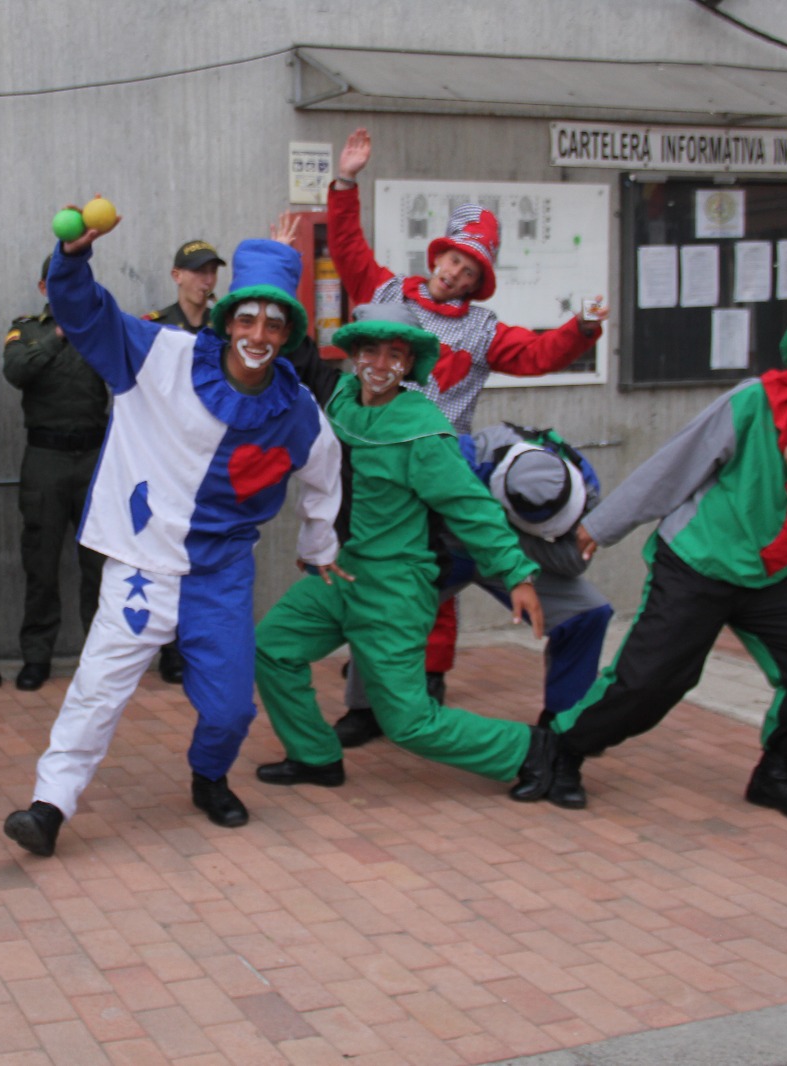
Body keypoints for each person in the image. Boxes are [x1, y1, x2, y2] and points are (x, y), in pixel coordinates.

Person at [3, 219, 342, 858]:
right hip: (140, 564)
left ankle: (208, 776)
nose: (258, 335)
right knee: (98, 689)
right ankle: (49, 805)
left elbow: (326, 473)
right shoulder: (161, 354)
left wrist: (318, 548)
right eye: (248, 320)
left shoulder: (298, 413)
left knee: (231, 710)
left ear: (289, 333)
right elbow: (86, 315)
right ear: (228, 319)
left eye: (274, 325)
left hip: (219, 577)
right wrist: (73, 258)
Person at [542, 265, 787, 826]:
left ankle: (777, 771)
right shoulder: (755, 401)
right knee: (652, 682)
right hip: (699, 562)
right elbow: (676, 465)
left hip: (769, 576)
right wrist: (598, 527)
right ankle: (561, 746)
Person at [330, 127, 608, 700]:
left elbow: (535, 356)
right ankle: (365, 698)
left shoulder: (483, 329)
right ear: (439, 255)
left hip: (442, 462)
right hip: (376, 458)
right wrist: (345, 182)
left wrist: (581, 329)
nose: (456, 273)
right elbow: (348, 250)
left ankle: (428, 677)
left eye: (470, 270)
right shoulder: (389, 294)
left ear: (480, 281)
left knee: (442, 569)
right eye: (454, 260)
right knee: (374, 568)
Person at [251, 303, 557, 798]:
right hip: (342, 573)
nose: (379, 362)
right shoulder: (346, 401)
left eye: (394, 353)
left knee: (408, 722)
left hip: (394, 589)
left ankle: (531, 751)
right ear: (353, 355)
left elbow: (470, 507)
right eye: (369, 350)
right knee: (272, 647)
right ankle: (315, 756)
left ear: (409, 365)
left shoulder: (423, 431)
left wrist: (516, 574)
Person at [337, 422, 614, 808]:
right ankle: (365, 709)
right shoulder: (465, 455)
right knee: (383, 607)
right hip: (444, 546)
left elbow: (570, 562)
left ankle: (561, 736)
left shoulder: (583, 485)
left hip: (514, 558)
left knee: (589, 613)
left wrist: (501, 532)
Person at [2, 256, 109, 691]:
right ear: (45, 287)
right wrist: (60, 333)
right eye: (60, 283)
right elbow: (16, 371)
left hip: (95, 459)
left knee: (98, 567)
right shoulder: (26, 329)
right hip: (45, 458)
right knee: (41, 564)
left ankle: (100, 660)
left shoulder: (102, 329)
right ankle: (37, 657)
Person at [138, 239, 229, 684]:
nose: (206, 280)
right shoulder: (154, 327)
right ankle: (171, 649)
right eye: (196, 271)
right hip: (166, 459)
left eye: (212, 271)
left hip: (213, 459)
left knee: (206, 557)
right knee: (168, 555)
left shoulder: (227, 328)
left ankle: (199, 644)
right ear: (177, 276)